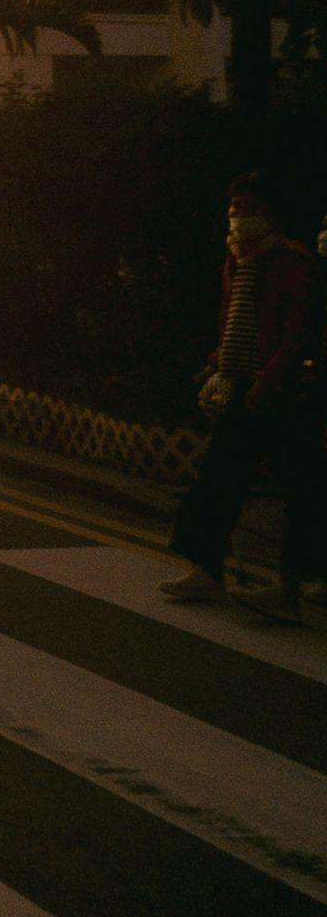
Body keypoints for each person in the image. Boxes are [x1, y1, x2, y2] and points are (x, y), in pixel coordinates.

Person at [161, 174, 324, 620]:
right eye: (233, 207)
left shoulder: (290, 261)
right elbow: (233, 322)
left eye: (247, 207)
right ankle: (206, 570)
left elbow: (296, 330)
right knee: (219, 479)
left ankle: (293, 587)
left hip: (282, 393)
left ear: (269, 213)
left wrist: (267, 381)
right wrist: (217, 365)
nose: (237, 215)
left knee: (301, 488)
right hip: (240, 387)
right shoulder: (236, 261)